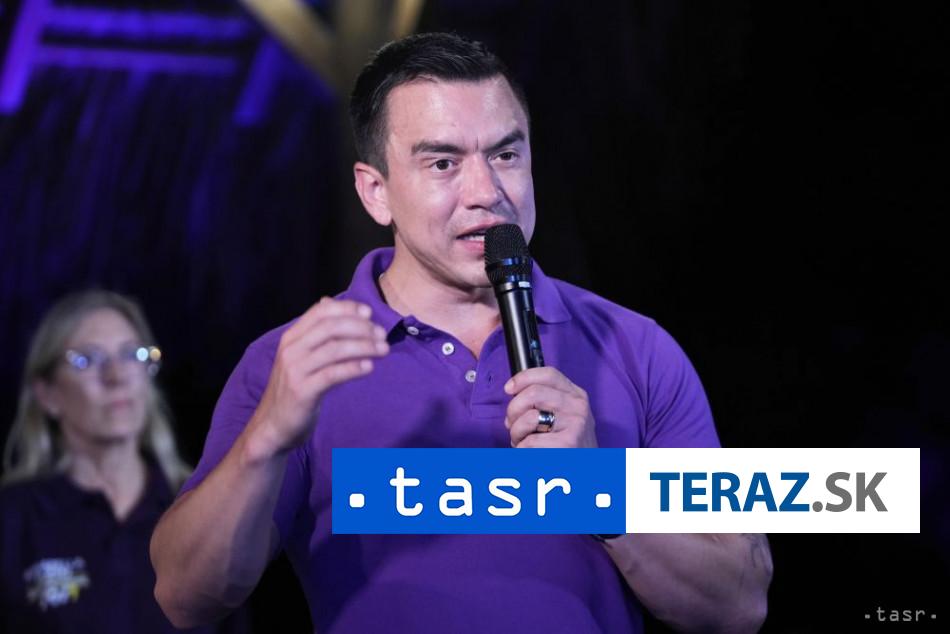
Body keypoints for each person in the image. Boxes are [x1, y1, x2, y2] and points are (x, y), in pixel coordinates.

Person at [151, 32, 773, 633]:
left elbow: (739, 603)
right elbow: (185, 597)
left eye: (505, 155)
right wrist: (265, 440)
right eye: (443, 163)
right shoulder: (294, 364)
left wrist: (598, 492)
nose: (487, 192)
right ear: (375, 192)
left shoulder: (638, 349)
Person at [0, 290, 246, 634]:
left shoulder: (201, 508)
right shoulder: (14, 519)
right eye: (87, 359)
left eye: (132, 354)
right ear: (48, 394)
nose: (116, 376)